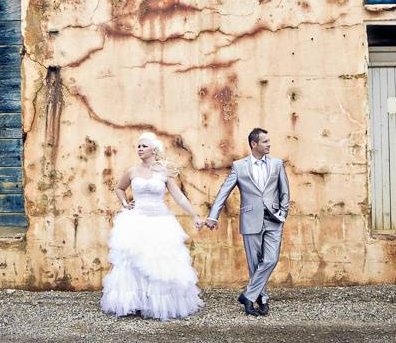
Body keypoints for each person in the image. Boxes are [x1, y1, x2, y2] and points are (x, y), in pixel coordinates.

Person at [101, 132, 205, 320]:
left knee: (159, 262)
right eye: (138, 146)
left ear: (153, 149)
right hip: (137, 219)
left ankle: (157, 302)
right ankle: (136, 302)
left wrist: (195, 215)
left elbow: (179, 197)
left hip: (160, 220)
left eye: (144, 146)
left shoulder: (163, 172)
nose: (140, 149)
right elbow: (119, 188)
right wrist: (125, 204)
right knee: (134, 261)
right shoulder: (132, 171)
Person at [205, 128, 290, 316]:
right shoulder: (239, 166)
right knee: (254, 263)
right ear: (254, 144)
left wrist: (283, 212)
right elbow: (224, 191)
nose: (269, 144)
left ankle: (248, 295)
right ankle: (260, 298)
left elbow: (284, 191)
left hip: (274, 219)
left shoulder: (277, 164)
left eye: (269, 141)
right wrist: (213, 215)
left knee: (270, 259)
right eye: (265, 141)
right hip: (251, 218)